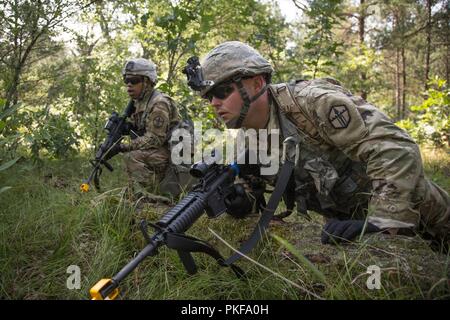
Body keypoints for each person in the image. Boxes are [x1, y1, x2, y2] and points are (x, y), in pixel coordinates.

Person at [186, 41, 450, 252]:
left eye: (221, 92)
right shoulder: (248, 138)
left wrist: (383, 221)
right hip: (346, 226)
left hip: (421, 211)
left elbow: (395, 148)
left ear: (257, 83)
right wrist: (241, 200)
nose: (214, 103)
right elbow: (259, 189)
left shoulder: (311, 104)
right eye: (209, 97)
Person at [106, 58, 183, 204]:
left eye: (134, 80)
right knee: (133, 155)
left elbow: (154, 139)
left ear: (147, 82)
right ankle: (137, 192)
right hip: (160, 150)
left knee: (132, 156)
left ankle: (151, 196)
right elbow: (142, 128)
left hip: (172, 152)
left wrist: (123, 147)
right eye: (126, 80)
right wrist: (126, 127)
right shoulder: (140, 102)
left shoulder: (159, 103)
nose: (129, 85)